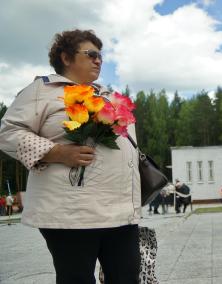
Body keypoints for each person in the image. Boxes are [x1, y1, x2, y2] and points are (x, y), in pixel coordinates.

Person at [0, 29, 141, 284]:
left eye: (100, 55)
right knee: (76, 279)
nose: (99, 60)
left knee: (127, 278)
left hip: (121, 212)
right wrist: (55, 152)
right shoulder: (41, 90)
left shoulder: (107, 96)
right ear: (65, 57)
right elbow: (8, 132)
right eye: (91, 54)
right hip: (71, 213)